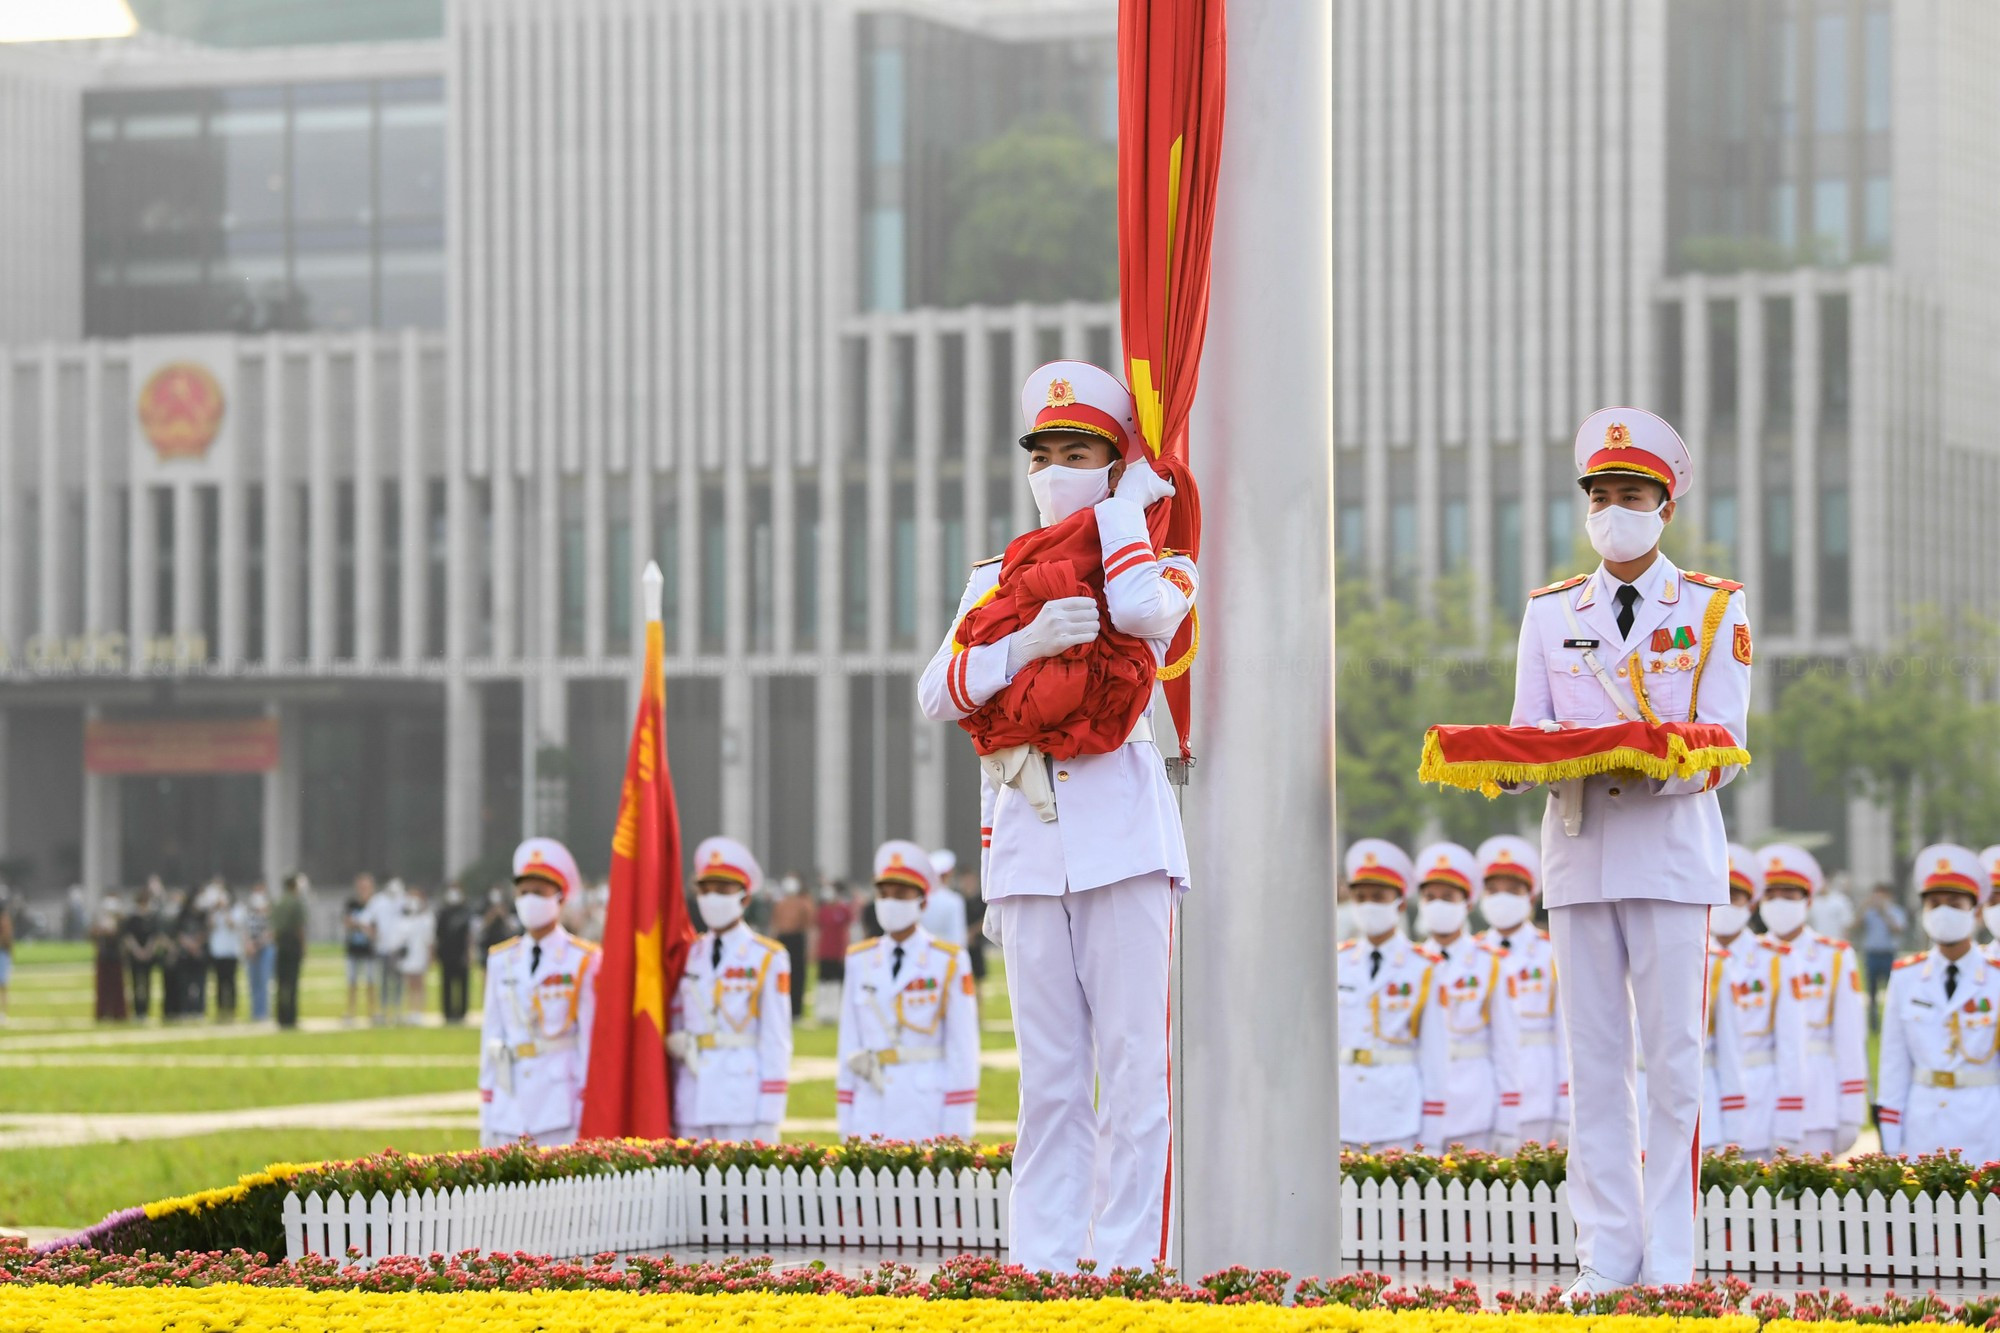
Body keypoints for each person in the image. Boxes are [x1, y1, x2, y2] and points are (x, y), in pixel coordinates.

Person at [917, 360, 1195, 1275]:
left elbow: (1142, 614)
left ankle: (1124, 1271)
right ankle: (1042, 1266)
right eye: (1046, 454)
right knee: (1050, 1085)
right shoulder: (995, 578)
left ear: (1115, 465)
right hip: (1030, 849)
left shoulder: (1161, 559)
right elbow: (938, 691)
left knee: (1137, 1079)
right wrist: (1020, 644)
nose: (1056, 469)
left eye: (1079, 452)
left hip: (1122, 844)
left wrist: (1122, 515)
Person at [1507, 406, 1751, 1295]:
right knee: (1594, 1062)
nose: (1615, 508)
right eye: (1602, 494)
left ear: (1665, 506)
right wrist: (1510, 765)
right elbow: (1529, 727)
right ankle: (1607, 1255)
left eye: (1633, 494)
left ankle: (1676, 1260)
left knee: (1674, 1061)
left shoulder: (1715, 608)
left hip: (1669, 852)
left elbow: (1725, 738)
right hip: (1577, 853)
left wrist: (1655, 761)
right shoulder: (1548, 612)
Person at [836, 840, 982, 1141]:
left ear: (923, 902)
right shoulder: (859, 960)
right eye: (884, 895)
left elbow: (962, 1046)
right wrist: (846, 1115)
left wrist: (958, 1124)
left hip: (926, 1105)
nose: (890, 903)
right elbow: (848, 1041)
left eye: (901, 895)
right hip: (871, 1104)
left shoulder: (948, 960)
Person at [1877, 844, 2000, 1165]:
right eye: (1934, 904)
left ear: (1975, 912)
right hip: (1923, 1126)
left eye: (1955, 904)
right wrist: (1891, 1142)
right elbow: (1893, 1064)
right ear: (1924, 913)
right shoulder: (1906, 976)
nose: (1943, 912)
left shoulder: (1996, 977)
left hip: (1986, 1124)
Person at [666, 836, 792, 1142]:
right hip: (693, 1095)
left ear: (744, 898)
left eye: (722, 890)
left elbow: (776, 1040)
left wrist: (769, 1115)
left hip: (743, 1099)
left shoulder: (767, 956)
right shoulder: (689, 954)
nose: (712, 898)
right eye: (705, 890)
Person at [478, 838, 601, 1147]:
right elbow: (492, 1035)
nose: (529, 900)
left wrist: (586, 1104)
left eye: (539, 892)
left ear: (560, 898)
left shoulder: (583, 959)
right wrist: (488, 1102)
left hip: (560, 1103)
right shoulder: (501, 960)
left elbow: (589, 1038)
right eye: (523, 892)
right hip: (510, 1101)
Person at [1754, 844, 1867, 1155]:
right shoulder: (1746, 959)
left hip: (1817, 1100)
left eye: (1789, 896)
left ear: (1808, 901)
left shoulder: (1834, 957)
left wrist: (1851, 1111)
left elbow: (1849, 1038)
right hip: (1760, 1099)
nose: (1779, 904)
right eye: (1771, 896)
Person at [1336, 840, 1447, 1152]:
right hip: (1343, 1110)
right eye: (1360, 898)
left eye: (1377, 897)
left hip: (1397, 1114)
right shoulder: (1337, 962)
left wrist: (1433, 1134)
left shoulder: (1423, 967)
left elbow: (1435, 1054)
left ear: (1399, 903)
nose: (1367, 905)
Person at [1414, 842, 1519, 1154]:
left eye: (1448, 898)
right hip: (1421, 1102)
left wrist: (1508, 1119)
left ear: (1467, 904)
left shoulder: (1491, 963)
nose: (1438, 905)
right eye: (1430, 898)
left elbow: (1507, 1044)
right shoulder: (1413, 963)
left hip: (1476, 1098)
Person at [1709, 845, 1805, 1158]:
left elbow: (1791, 1046)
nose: (1724, 903)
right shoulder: (1689, 957)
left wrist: (1788, 1123)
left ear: (1749, 905)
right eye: (1718, 893)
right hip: (1704, 1098)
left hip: (1760, 1100)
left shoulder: (1775, 961)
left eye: (1734, 896)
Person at [1476, 834, 1567, 1147]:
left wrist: (1566, 1107)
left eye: (1512, 891)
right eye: (1493, 891)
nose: (1502, 899)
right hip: (1483, 1097)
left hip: (1539, 1087)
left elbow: (1565, 1033)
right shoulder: (1471, 955)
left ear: (1530, 897)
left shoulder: (1552, 951)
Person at [1860, 882, 1911, 1031]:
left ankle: (1894, 1023)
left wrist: (1884, 913)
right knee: (1872, 992)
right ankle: (1874, 1025)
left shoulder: (1895, 911)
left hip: (1888, 954)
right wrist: (1864, 908)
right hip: (1872, 954)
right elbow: (1853, 926)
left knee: (1893, 993)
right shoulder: (1868, 912)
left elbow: (1898, 929)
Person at [768, 875, 814, 1021]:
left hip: (797, 939)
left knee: (798, 975)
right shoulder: (780, 904)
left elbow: (808, 924)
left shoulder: (803, 903)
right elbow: (775, 924)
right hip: (783, 939)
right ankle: (781, 1010)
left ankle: (796, 1011)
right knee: (781, 975)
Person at [813, 881, 855, 1025]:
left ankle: (836, 1012)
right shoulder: (823, 910)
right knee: (823, 982)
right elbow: (817, 929)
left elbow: (849, 929)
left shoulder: (843, 909)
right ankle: (822, 1012)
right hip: (825, 951)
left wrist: (846, 950)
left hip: (838, 952)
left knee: (837, 983)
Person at [271, 873, 309, 1029]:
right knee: (292, 982)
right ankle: (291, 1018)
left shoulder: (278, 902)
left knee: (281, 982)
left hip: (280, 943)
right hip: (293, 942)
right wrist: (303, 946)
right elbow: (300, 927)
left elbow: (273, 927)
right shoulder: (296, 902)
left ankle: (280, 1017)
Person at [121, 883, 162, 1021]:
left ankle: (145, 1011)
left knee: (147, 983)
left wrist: (148, 950)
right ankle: (137, 1011)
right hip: (135, 955)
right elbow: (128, 936)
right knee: (136, 984)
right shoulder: (132, 917)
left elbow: (154, 936)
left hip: (148, 954)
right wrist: (137, 950)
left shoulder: (152, 917)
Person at [371, 878, 409, 1025]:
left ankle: (398, 1010)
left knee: (399, 981)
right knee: (384, 981)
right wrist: (374, 936)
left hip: (399, 948)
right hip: (383, 948)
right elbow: (367, 920)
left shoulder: (404, 900)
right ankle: (384, 1010)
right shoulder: (378, 901)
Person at [436, 883, 475, 1023]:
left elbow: (469, 934)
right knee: (446, 984)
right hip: (446, 953)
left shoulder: (466, 911)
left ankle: (462, 1013)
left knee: (463, 984)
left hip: (461, 953)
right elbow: (438, 935)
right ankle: (448, 1013)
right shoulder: (443, 912)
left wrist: (470, 952)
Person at [343, 874, 379, 1025]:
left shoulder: (375, 904)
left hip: (369, 949)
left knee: (371, 982)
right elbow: (347, 922)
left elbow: (375, 928)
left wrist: (360, 924)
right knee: (352, 982)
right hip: (353, 948)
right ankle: (351, 1012)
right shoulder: (352, 904)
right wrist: (361, 925)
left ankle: (372, 1012)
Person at [398, 885, 436, 1023]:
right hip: (408, 955)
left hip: (421, 953)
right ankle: (410, 1011)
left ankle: (419, 1011)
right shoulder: (404, 917)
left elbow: (429, 938)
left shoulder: (426, 917)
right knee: (410, 983)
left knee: (419, 983)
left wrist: (431, 955)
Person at [205, 881, 241, 1021]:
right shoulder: (214, 911)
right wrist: (215, 910)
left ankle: (232, 1009)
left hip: (231, 951)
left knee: (231, 982)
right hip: (218, 951)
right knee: (219, 982)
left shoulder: (237, 909)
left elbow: (232, 924)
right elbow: (210, 925)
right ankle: (220, 1009)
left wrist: (225, 910)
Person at [91, 895, 129, 1022]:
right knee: (102, 987)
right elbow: (93, 938)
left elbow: (121, 938)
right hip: (103, 957)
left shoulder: (121, 923)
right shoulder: (99, 923)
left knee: (117, 987)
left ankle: (118, 1012)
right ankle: (102, 1012)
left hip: (116, 957)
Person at [922, 849, 970, 946]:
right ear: (948, 873)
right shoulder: (954, 900)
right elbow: (959, 938)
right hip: (946, 956)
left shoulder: (919, 897)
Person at [242, 881, 275, 1022]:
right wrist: (249, 945)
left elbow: (271, 932)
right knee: (253, 982)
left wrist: (258, 944)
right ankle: (255, 1012)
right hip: (251, 950)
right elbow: (245, 930)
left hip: (264, 948)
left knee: (264, 981)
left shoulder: (270, 913)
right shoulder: (248, 913)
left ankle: (263, 1013)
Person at [0, 885, 12, 1025]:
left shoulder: (5, 920)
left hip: (2, 952)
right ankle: (3, 1012)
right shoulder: (5, 920)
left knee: (3, 984)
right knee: (3, 985)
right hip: (3, 952)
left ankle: (3, 1012)